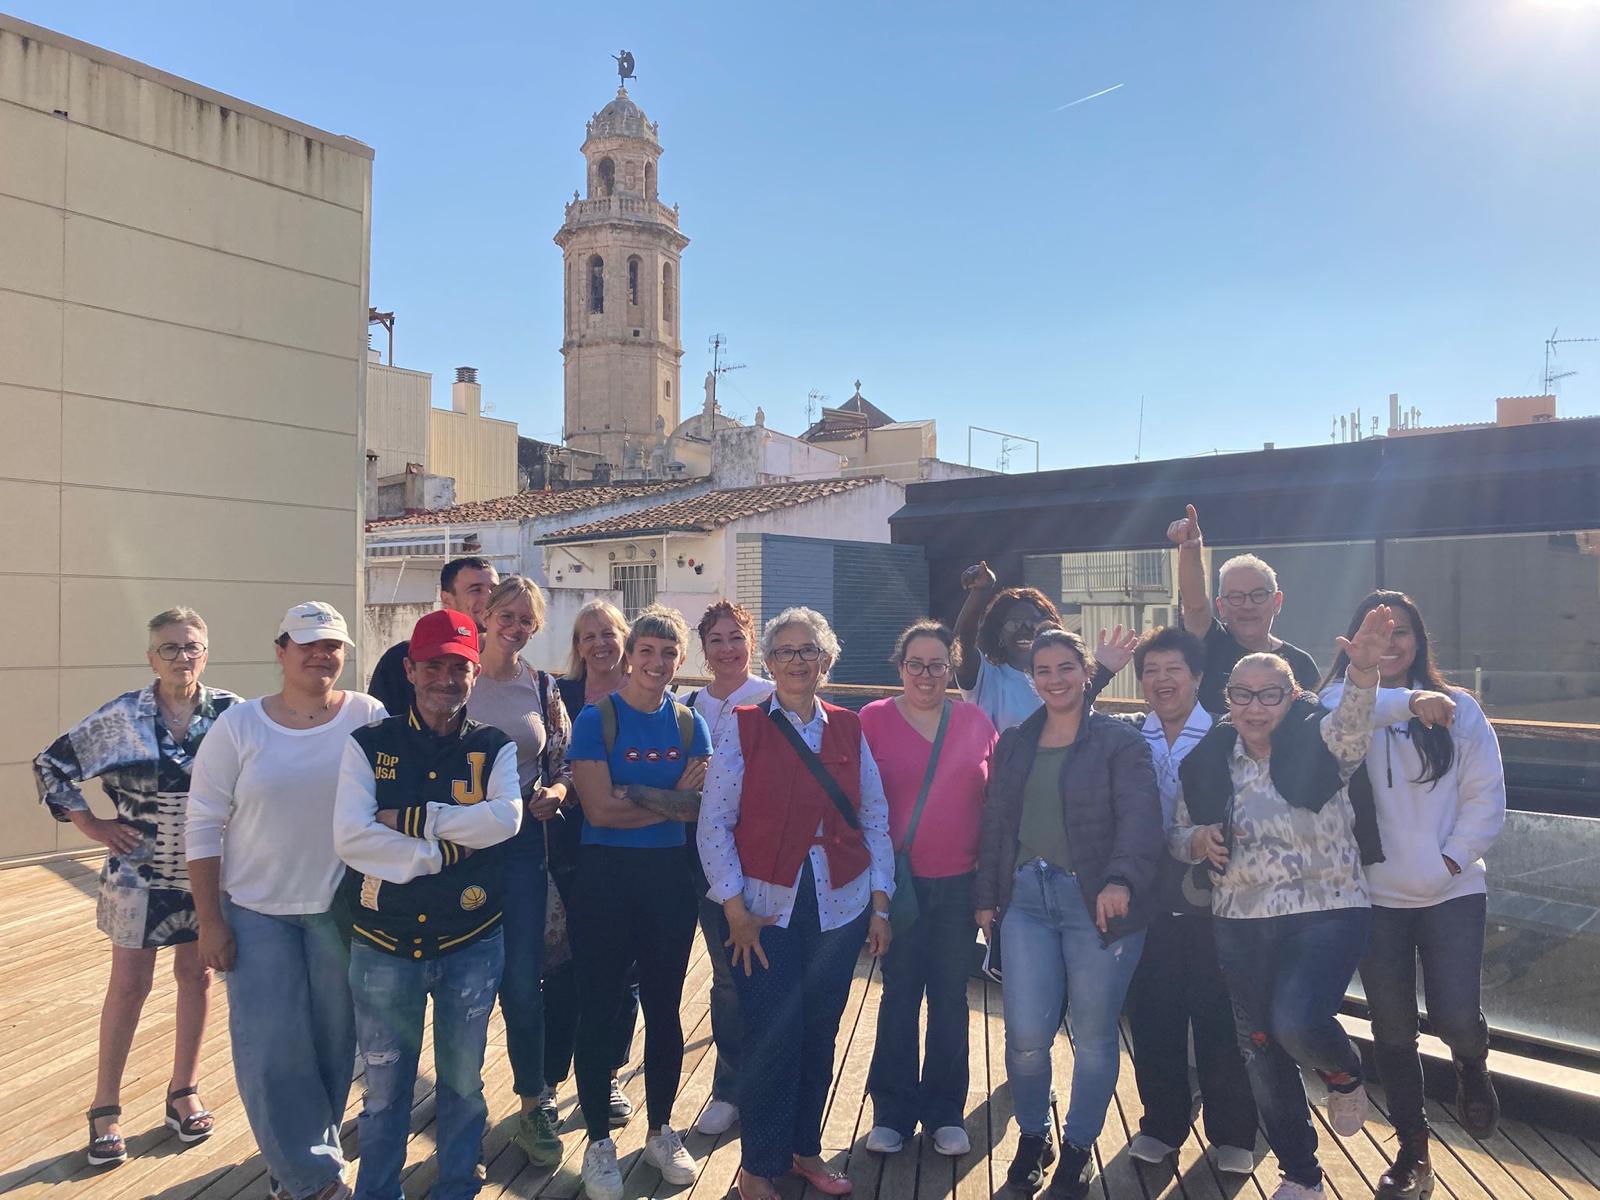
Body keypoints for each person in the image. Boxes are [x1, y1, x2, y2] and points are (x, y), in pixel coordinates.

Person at [1170, 604, 1397, 1200]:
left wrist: (1363, 672)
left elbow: (1353, 725)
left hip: (1327, 907)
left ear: (1293, 696)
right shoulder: (1208, 760)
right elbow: (1177, 834)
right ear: (1227, 699)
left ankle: (1344, 1072)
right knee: (1261, 1047)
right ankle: (1300, 1173)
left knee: (1296, 1019)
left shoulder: (1321, 738)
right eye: (1241, 695)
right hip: (1239, 919)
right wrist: (1197, 840)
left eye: (1269, 695)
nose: (1254, 707)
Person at [187, 602, 386, 1200]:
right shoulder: (239, 726)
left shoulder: (369, 715)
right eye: (308, 644)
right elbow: (203, 824)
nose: (322, 655)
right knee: (273, 1046)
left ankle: (300, 1161)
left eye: (333, 645)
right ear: (281, 652)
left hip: (339, 914)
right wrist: (210, 921)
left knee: (333, 1044)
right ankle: (312, 1176)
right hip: (256, 912)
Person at [697, 607, 896, 1200]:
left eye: (808, 650)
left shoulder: (849, 727)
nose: (797, 661)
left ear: (826, 661)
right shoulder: (743, 726)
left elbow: (875, 817)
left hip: (841, 904)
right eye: (784, 651)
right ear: (769, 661)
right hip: (764, 909)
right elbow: (714, 822)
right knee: (770, 1035)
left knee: (819, 1031)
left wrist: (881, 905)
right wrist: (734, 908)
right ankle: (757, 1167)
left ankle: (805, 1150)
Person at [35, 608, 240, 1167]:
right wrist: (91, 825)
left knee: (197, 976)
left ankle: (183, 1090)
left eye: (191, 646)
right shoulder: (121, 716)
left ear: (206, 653)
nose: (181, 657)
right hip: (137, 874)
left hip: (208, 868)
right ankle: (105, 1106)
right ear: (152, 657)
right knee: (129, 985)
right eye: (169, 648)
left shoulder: (233, 714)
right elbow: (52, 765)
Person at [333, 608, 522, 1200]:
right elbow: (352, 838)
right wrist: (442, 853)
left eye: (458, 667)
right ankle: (377, 1190)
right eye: (433, 666)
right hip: (384, 941)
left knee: (464, 1081)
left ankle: (458, 1183)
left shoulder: (495, 746)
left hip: (471, 939)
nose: (446, 679)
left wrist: (415, 821)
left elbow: (506, 820)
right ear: (410, 670)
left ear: (474, 675)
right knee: (385, 1085)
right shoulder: (369, 744)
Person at [1322, 591, 1506, 1200]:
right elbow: (1346, 712)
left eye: (1400, 631)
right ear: (1354, 642)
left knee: (1456, 1017)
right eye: (1375, 632)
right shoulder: (1338, 704)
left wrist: (1450, 860)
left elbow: (1486, 796)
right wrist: (1402, 698)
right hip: (1374, 898)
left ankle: (1471, 1064)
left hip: (1453, 889)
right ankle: (1413, 1150)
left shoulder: (1461, 710)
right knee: (1394, 1031)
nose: (1390, 642)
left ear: (1419, 639)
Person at [975, 629, 1163, 1199]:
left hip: (1096, 904)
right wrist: (986, 896)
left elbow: (1140, 819)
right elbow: (995, 824)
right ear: (1032, 679)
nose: (1055, 679)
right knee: (1026, 1035)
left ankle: (1078, 1147)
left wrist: (1121, 880)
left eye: (1066, 668)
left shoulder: (1119, 742)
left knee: (1095, 1035)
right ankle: (1034, 1137)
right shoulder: (1014, 743)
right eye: (1044, 670)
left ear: (1086, 673)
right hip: (1025, 901)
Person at [1084, 626, 1259, 1175]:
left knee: (1218, 1016)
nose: (1162, 681)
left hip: (1218, 898)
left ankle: (1233, 1131)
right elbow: (1065, 718)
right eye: (1151, 671)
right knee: (1152, 1014)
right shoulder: (1126, 736)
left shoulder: (1229, 735)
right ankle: (1162, 1124)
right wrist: (1099, 672)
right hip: (1146, 898)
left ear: (1198, 677)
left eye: (1173, 670)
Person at [568, 606, 712, 1200]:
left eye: (668, 653)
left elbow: (699, 808)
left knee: (664, 1006)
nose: (656, 662)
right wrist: (666, 797)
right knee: (599, 1004)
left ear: (681, 661)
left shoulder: (690, 724)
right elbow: (599, 811)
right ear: (630, 656)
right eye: (647, 651)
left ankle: (660, 1130)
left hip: (667, 879)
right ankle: (598, 1142)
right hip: (604, 877)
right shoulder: (595, 719)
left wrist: (636, 792)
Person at [862, 622, 997, 1158]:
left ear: (950, 668)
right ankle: (891, 1112)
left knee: (949, 996)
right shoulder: (872, 719)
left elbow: (996, 806)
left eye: (937, 665)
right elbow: (855, 804)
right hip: (898, 886)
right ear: (900, 667)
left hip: (960, 884)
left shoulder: (976, 721)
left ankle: (945, 1111)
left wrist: (990, 887)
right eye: (915, 664)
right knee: (898, 993)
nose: (926, 675)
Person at [465, 576, 573, 1167]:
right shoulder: (457, 677)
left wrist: (557, 792)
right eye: (506, 614)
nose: (515, 626)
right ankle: (463, 1115)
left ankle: (533, 1104)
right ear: (486, 615)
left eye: (526, 619)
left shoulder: (543, 686)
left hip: (524, 846)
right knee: (460, 985)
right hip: (458, 850)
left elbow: (564, 763)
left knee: (523, 984)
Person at [544, 598, 640, 1131]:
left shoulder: (645, 694)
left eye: (608, 633)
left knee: (624, 969)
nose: (600, 644)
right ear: (578, 647)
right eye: (588, 636)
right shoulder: (561, 695)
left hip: (629, 846)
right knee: (564, 967)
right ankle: (550, 1078)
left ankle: (606, 1073)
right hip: (570, 846)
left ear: (624, 637)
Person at [680, 600, 774, 1137]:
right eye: (715, 640)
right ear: (704, 648)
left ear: (751, 641)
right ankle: (730, 1088)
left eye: (736, 637)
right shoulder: (687, 704)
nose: (727, 649)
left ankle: (770, 1083)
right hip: (702, 859)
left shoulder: (772, 698)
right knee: (726, 977)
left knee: (768, 973)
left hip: (763, 859)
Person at [1166, 505, 1321, 715]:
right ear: (1221, 606)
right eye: (1236, 597)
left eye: (1258, 595)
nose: (1248, 606)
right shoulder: (1209, 645)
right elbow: (1195, 606)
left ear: (1277, 601)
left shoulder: (1302, 664)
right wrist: (1191, 549)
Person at [368, 556, 498, 716]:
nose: (489, 598)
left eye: (494, 590)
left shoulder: (514, 665)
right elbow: (382, 724)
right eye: (476, 590)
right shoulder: (402, 658)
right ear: (446, 599)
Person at [952, 560, 1063, 729]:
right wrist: (981, 590)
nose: (1024, 630)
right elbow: (961, 641)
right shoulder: (987, 679)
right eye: (1014, 624)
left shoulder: (1062, 679)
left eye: (1032, 622)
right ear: (999, 633)